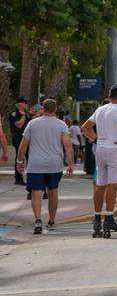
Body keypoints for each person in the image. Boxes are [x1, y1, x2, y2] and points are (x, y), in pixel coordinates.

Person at [81, 87, 117, 238]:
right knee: (112, 186)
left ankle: (97, 218)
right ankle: (109, 218)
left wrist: (95, 139)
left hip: (100, 149)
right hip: (114, 149)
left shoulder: (100, 110)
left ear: (109, 96)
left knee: (100, 185)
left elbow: (85, 127)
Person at [17, 98, 73, 233]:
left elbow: (23, 145)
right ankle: (52, 221)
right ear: (55, 109)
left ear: (43, 108)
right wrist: (70, 163)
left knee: (36, 192)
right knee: (53, 192)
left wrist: (19, 162)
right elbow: (68, 146)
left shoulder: (32, 123)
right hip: (54, 165)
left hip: (36, 164)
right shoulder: (61, 125)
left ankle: (37, 220)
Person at [8, 96, 32, 185]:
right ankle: (18, 178)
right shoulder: (14, 113)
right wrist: (23, 116)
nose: (26, 105)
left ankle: (31, 177)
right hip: (18, 138)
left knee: (29, 158)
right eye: (25, 103)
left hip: (27, 139)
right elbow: (19, 125)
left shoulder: (27, 113)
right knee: (19, 158)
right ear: (20, 104)